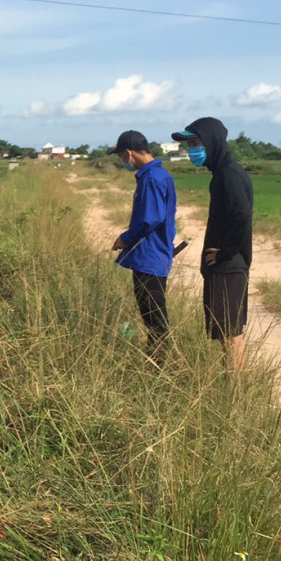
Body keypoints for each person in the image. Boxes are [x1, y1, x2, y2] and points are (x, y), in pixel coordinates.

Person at [172, 117, 253, 372]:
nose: (193, 150)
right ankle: (235, 385)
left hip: (228, 266)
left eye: (196, 143)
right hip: (228, 264)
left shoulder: (228, 175)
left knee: (229, 333)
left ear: (212, 142)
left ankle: (237, 389)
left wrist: (225, 253)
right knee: (228, 331)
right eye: (190, 145)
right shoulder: (224, 172)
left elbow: (242, 215)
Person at [108, 130, 177, 366]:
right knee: (151, 314)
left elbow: (150, 218)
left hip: (151, 257)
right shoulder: (154, 175)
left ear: (128, 153)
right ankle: (154, 361)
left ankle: (157, 366)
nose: (122, 161)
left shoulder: (153, 178)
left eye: (120, 156)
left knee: (155, 318)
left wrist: (126, 238)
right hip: (151, 255)